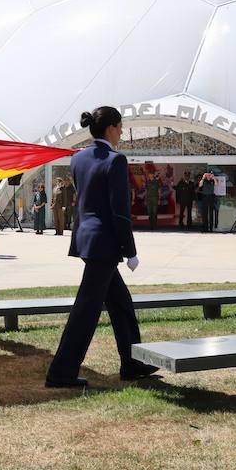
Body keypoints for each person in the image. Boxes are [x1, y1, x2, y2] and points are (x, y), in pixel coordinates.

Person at [45, 106, 158, 389]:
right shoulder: (115, 160)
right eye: (120, 128)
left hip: (86, 239)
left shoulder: (78, 159)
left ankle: (132, 362)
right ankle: (61, 372)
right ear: (110, 128)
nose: (121, 133)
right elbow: (119, 211)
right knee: (86, 310)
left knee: (121, 304)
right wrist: (130, 250)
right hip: (104, 244)